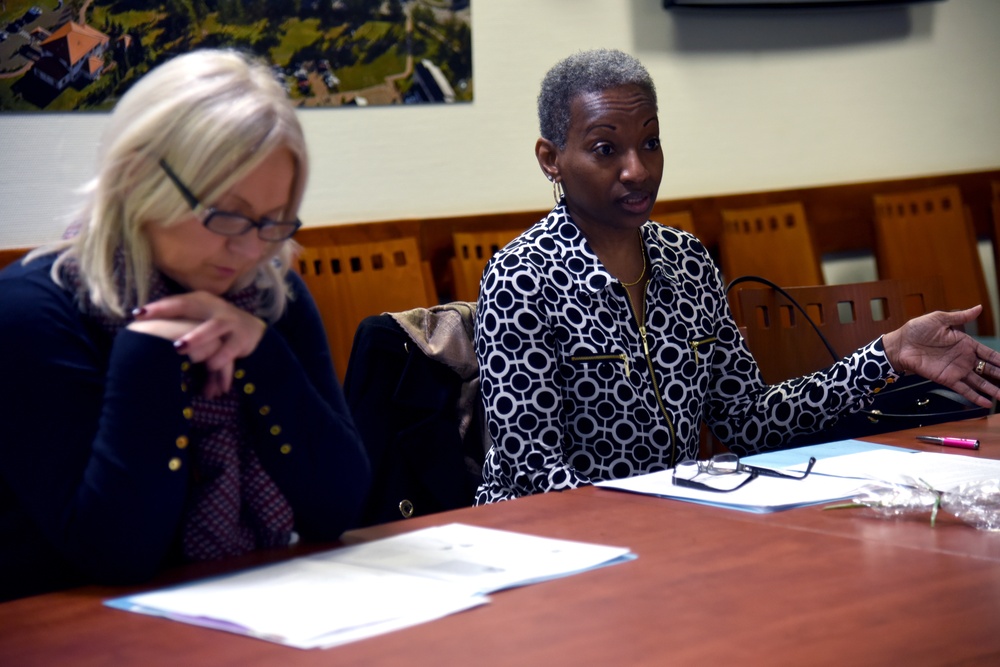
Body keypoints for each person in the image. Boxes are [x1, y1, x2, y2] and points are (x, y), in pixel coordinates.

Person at [473, 48, 1000, 505]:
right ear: (551, 159)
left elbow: (750, 422)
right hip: (550, 546)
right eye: (606, 149)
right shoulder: (522, 278)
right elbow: (535, 476)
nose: (637, 170)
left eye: (650, 143)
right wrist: (656, 525)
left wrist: (886, 354)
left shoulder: (686, 262)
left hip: (661, 534)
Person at [0, 49, 371, 601]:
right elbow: (117, 552)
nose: (249, 249)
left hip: (264, 608)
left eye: (273, 223)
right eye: (226, 214)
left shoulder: (271, 292)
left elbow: (338, 507)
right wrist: (149, 352)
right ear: (136, 178)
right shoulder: (30, 312)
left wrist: (262, 354)